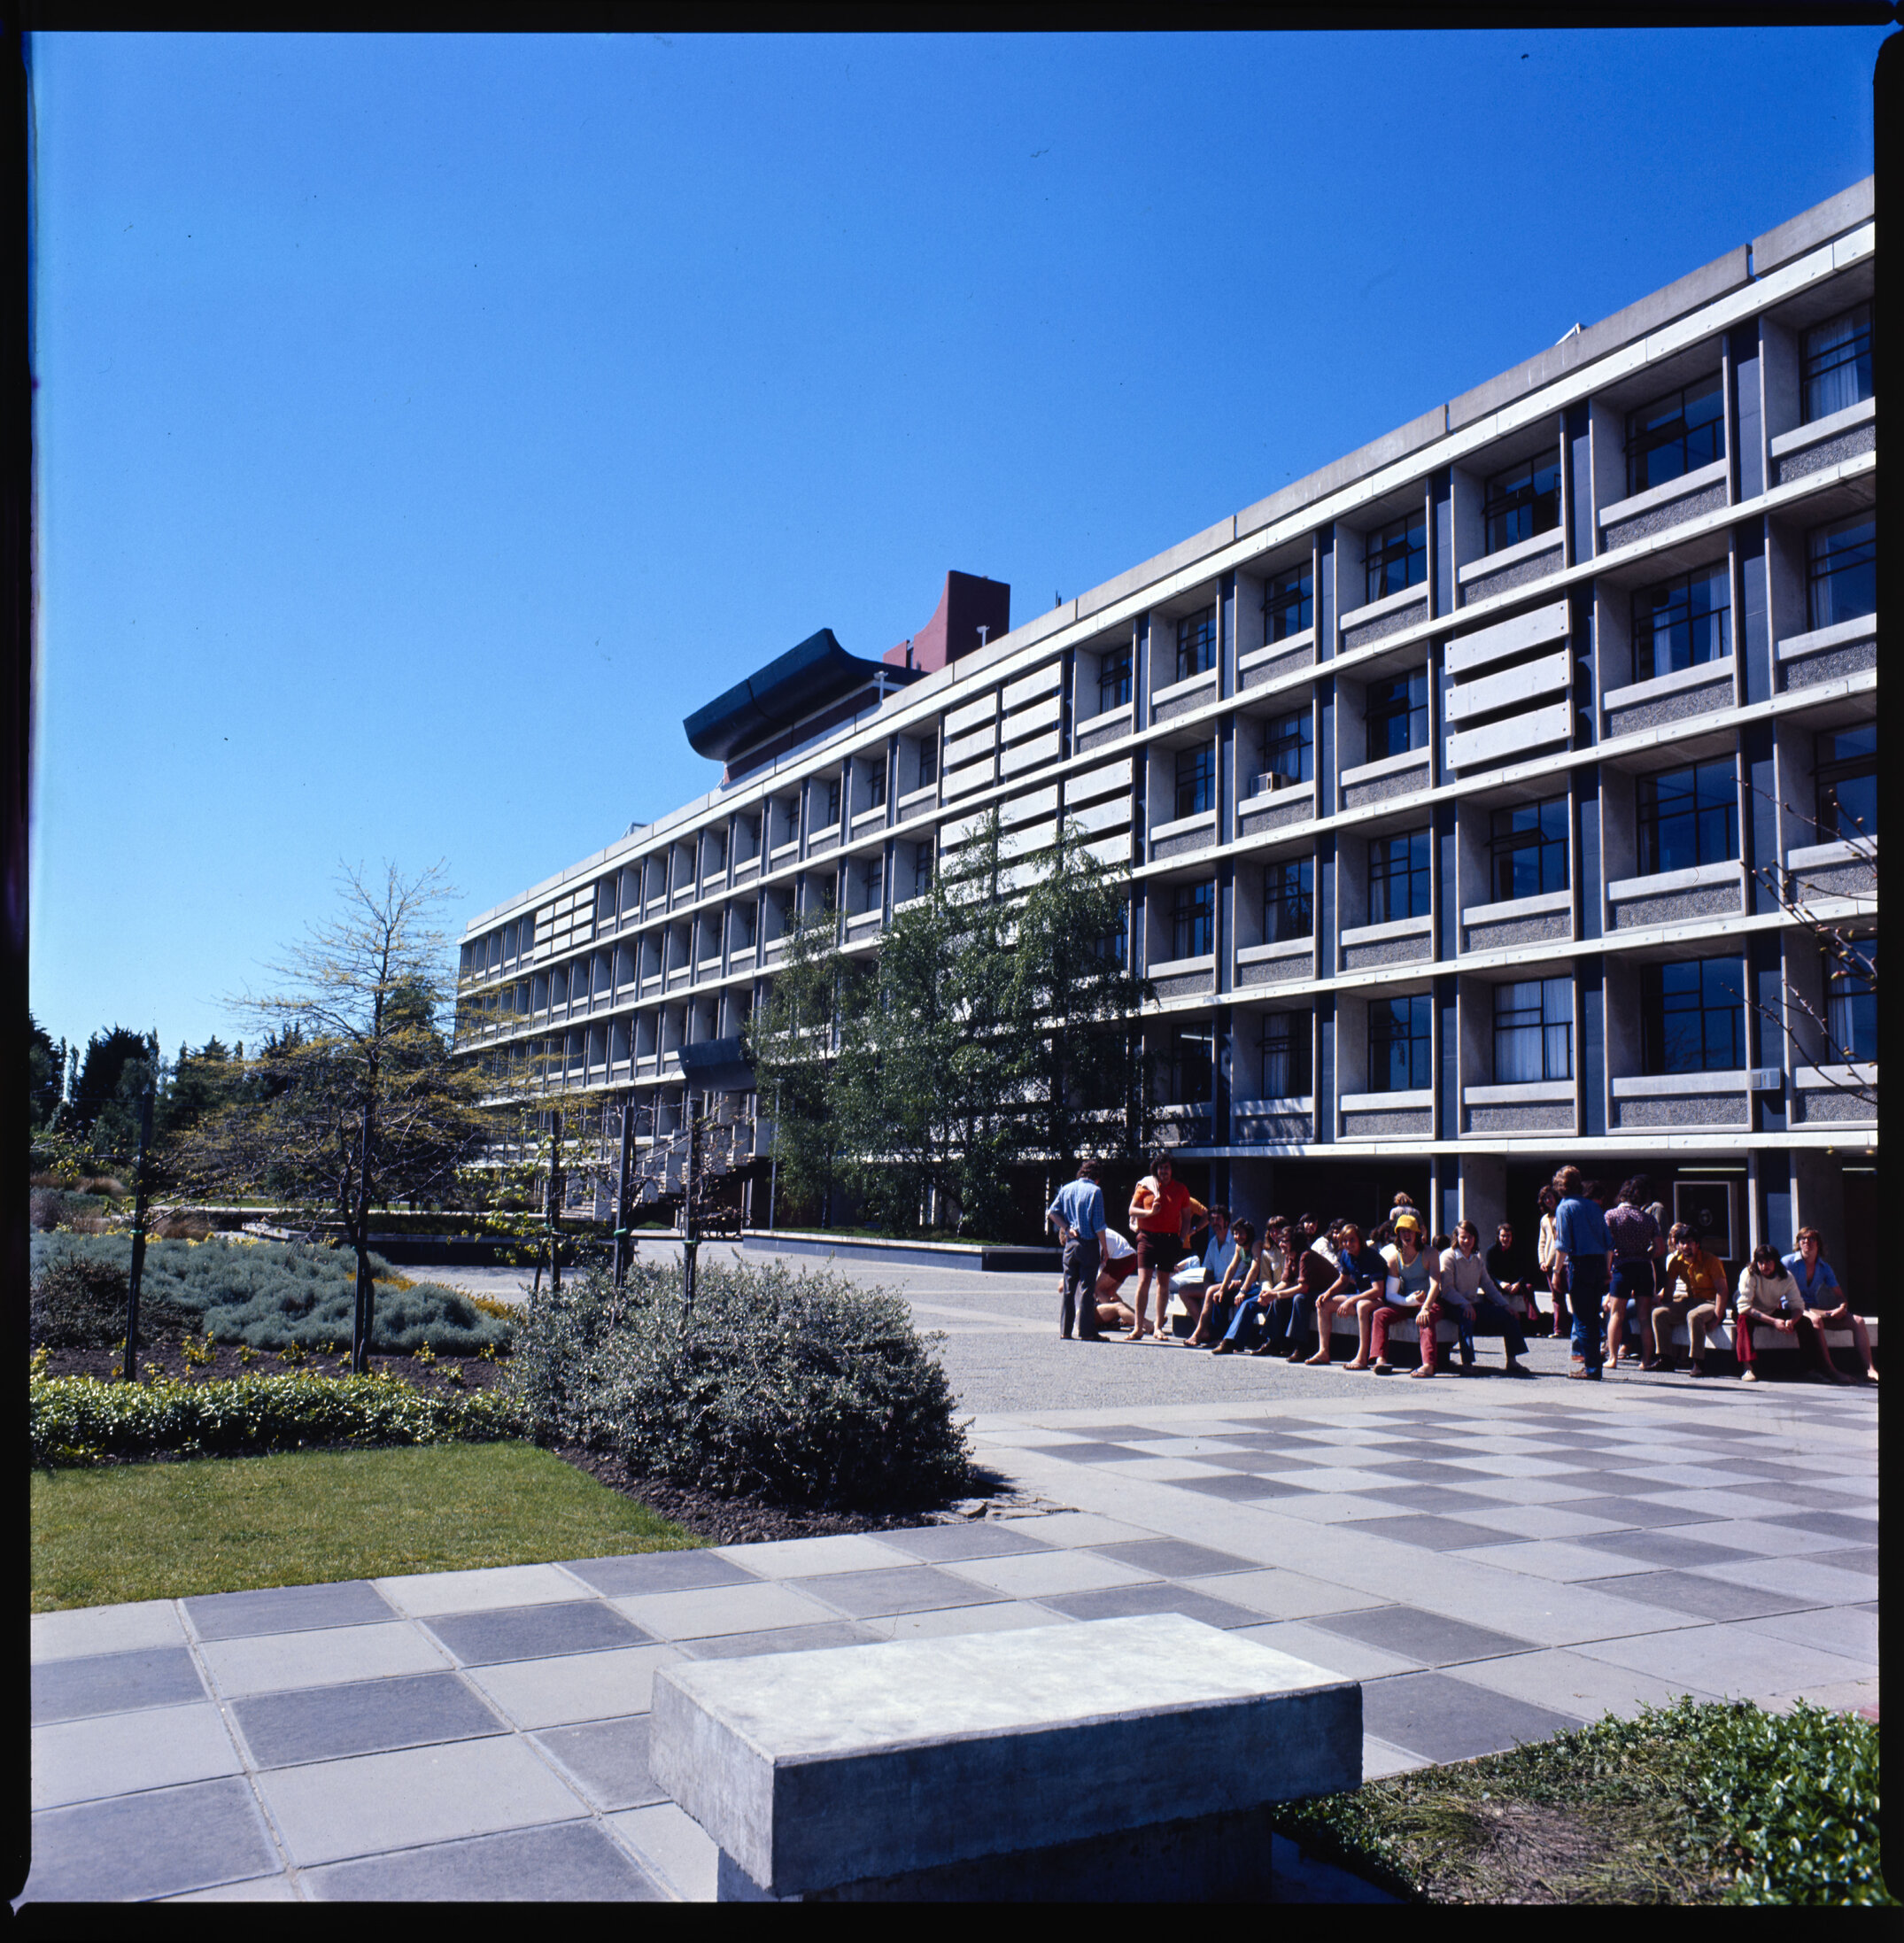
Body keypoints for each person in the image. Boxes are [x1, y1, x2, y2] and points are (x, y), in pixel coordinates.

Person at [1425, 1219, 1531, 1377]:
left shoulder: (1477, 1260)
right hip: (1451, 1305)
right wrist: (1464, 1304)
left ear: (1475, 1238)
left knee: (1509, 1315)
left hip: (1471, 1304)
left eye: (1470, 1237)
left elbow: (1489, 1286)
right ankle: (1467, 1363)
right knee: (1466, 1317)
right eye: (1463, 1237)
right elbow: (1447, 1290)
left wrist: (1505, 1305)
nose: (1466, 1241)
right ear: (1456, 1238)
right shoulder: (1448, 1256)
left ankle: (1512, 1361)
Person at [1734, 1242, 1847, 1385]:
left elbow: (1798, 1305)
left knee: (1805, 1322)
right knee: (1743, 1321)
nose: (1764, 1266)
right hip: (1749, 1311)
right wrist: (1775, 1322)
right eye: (1760, 1262)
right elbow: (1744, 1306)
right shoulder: (1749, 1274)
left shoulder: (1786, 1277)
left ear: (1775, 1262)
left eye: (1768, 1262)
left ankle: (1811, 1369)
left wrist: (1792, 1321)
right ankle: (1748, 1368)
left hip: (1770, 1310)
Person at [1124, 1152, 1206, 1343]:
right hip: (1146, 1238)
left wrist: (1181, 1238)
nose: (1164, 1172)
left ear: (1172, 1170)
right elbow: (1131, 1210)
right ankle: (1138, 1327)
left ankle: (1158, 1328)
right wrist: (1149, 1212)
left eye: (1167, 1168)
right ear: (1156, 1170)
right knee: (1143, 1281)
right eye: (1161, 1168)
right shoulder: (1146, 1186)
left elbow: (1186, 1218)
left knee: (1163, 1284)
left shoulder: (1181, 1190)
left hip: (1169, 1240)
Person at [1784, 1227, 1879, 1382]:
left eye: (1811, 1239)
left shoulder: (1824, 1268)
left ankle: (1870, 1369)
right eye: (1803, 1239)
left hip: (1811, 1307)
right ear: (1798, 1243)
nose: (1807, 1242)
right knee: (1816, 1320)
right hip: (1792, 1307)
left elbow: (1841, 1297)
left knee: (1858, 1321)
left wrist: (1840, 1308)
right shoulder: (1787, 1262)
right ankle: (1831, 1369)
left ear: (1819, 1244)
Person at [1362, 1211, 1437, 1373]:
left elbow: (1435, 1284)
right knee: (1380, 1314)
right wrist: (1408, 1301)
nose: (1406, 1234)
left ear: (1417, 1233)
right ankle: (1380, 1360)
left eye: (1409, 1230)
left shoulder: (1430, 1253)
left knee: (1426, 1318)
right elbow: (1390, 1294)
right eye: (1402, 1231)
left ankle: (1428, 1365)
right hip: (1407, 1301)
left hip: (1429, 1302)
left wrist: (1425, 1307)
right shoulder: (1394, 1259)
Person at [1651, 1223, 1730, 1376]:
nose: (1686, 1246)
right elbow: (1669, 1289)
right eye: (1682, 1242)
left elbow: (1722, 1290)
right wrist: (1668, 1308)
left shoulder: (1711, 1260)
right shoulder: (1676, 1262)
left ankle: (1698, 1363)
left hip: (1710, 1303)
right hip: (1689, 1301)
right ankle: (1665, 1359)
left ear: (1697, 1244)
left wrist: (1717, 1317)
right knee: (1658, 1313)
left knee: (1694, 1315)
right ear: (1678, 1245)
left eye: (1690, 1242)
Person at [1554, 1165, 1610, 1379]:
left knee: (1582, 1317)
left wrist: (1556, 1271)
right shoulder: (1594, 1207)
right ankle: (1594, 1364)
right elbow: (1608, 1243)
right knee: (1593, 1316)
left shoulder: (1564, 1208)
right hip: (1598, 1263)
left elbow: (1563, 1245)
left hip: (1580, 1264)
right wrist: (1606, 1270)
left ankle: (1592, 1368)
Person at [1605, 1176, 1667, 1369]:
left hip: (1622, 1266)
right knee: (1644, 1316)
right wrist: (1646, 1255)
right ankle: (1646, 1360)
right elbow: (1660, 1248)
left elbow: (1607, 1246)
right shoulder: (1648, 1219)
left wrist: (1607, 1269)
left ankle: (1613, 1358)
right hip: (1643, 1268)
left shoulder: (1611, 1216)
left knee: (1616, 1314)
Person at [1305, 1222, 1388, 1366]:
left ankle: (1362, 1357)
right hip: (1359, 1297)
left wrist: (1351, 1301)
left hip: (1379, 1299)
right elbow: (1343, 1279)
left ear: (1360, 1240)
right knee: (1323, 1304)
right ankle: (1323, 1352)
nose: (1348, 1244)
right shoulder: (1345, 1255)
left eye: (1352, 1240)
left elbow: (1378, 1290)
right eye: (1345, 1241)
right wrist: (1327, 1293)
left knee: (1362, 1306)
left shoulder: (1371, 1257)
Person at [1046, 1158, 1110, 1343]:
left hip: (1070, 1244)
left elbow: (1052, 1212)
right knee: (1087, 1289)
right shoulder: (1095, 1191)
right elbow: (1099, 1225)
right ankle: (1087, 1331)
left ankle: (1065, 1330)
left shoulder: (1067, 1188)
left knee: (1069, 1287)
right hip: (1088, 1244)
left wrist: (1066, 1228)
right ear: (1097, 1178)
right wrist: (1104, 1248)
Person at [1188, 1219, 1258, 1347]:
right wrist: (1222, 1289)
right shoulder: (1239, 1247)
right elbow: (1231, 1268)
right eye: (1236, 1234)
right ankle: (1217, 1337)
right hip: (1245, 1285)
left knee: (1244, 1302)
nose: (1238, 1237)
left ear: (1249, 1233)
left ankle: (1237, 1342)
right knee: (1220, 1297)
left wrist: (1242, 1291)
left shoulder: (1256, 1245)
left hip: (1257, 1286)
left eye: (1242, 1233)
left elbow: (1254, 1270)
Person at [1170, 1204, 1233, 1340]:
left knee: (1210, 1292)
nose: (1215, 1223)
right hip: (1215, 1284)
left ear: (1227, 1221)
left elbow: (1238, 1273)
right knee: (1184, 1291)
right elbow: (1208, 1271)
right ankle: (1204, 1331)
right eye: (1212, 1220)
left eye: (1218, 1220)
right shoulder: (1213, 1243)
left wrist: (1211, 1288)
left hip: (1231, 1284)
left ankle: (1197, 1334)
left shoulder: (1235, 1242)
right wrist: (1206, 1284)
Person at [1087, 1227, 1141, 1332]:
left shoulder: (1092, 1237)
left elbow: (1097, 1262)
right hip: (1130, 1257)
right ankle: (1132, 1318)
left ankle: (1111, 1319)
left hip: (1120, 1258)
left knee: (1098, 1290)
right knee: (1110, 1292)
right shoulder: (1098, 1230)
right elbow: (1102, 1264)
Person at [1485, 1221, 1538, 1320]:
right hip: (1499, 1284)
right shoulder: (1491, 1251)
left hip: (1516, 1284)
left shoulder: (1519, 1250)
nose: (1505, 1239)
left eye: (1508, 1236)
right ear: (1498, 1236)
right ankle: (1491, 1322)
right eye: (1503, 1236)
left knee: (1529, 1287)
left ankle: (1533, 1321)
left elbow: (1526, 1271)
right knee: (1489, 1290)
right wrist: (1500, 1283)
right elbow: (1489, 1272)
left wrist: (1518, 1284)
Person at [1536, 1185, 1569, 1337]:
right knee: (1557, 1298)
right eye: (1545, 1198)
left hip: (1566, 1262)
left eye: (1550, 1197)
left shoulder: (1564, 1214)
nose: (1549, 1200)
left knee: (1574, 1295)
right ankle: (1559, 1329)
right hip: (1550, 1263)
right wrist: (1542, 1260)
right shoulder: (1544, 1220)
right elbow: (1542, 1242)